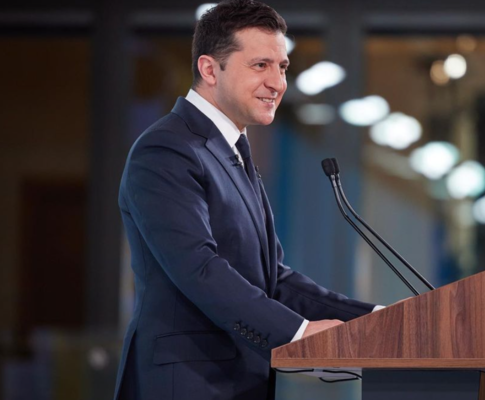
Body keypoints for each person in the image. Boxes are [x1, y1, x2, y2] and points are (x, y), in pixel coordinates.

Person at [113, 1, 381, 399]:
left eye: (282, 67)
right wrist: (299, 333)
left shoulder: (233, 151)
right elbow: (199, 268)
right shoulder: (166, 149)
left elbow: (274, 279)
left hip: (237, 383)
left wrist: (376, 320)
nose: (277, 83)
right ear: (209, 69)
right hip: (186, 383)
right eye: (260, 65)